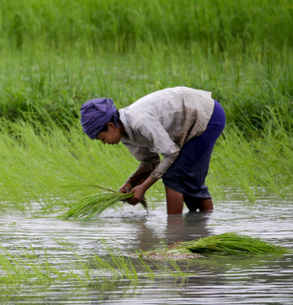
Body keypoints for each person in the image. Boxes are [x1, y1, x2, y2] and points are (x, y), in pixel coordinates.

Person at [80, 86, 225, 215]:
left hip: (208, 116)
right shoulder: (124, 133)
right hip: (192, 122)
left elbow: (171, 153)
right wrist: (130, 183)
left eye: (102, 138)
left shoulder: (140, 121)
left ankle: (174, 237)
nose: (104, 143)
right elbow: (150, 161)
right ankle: (203, 229)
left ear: (111, 126)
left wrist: (143, 187)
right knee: (189, 182)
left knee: (174, 178)